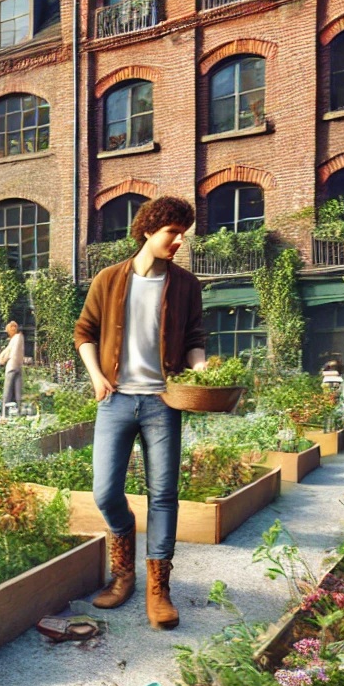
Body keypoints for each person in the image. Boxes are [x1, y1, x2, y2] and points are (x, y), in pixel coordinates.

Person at [73, 196, 209, 629]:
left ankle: (158, 590)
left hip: (162, 402)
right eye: (172, 232)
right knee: (105, 492)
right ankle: (124, 573)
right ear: (149, 231)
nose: (179, 240)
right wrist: (96, 375)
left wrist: (203, 371)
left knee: (164, 494)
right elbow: (84, 332)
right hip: (114, 400)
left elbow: (194, 339)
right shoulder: (109, 280)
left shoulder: (187, 285)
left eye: (183, 232)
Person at [0, 321, 29, 413]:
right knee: (18, 392)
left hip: (11, 366)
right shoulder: (20, 337)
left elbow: (9, 353)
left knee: (7, 390)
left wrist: (1, 359)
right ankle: (19, 412)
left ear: (12, 329)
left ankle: (3, 413)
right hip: (18, 366)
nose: (8, 333)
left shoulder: (15, 339)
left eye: (8, 331)